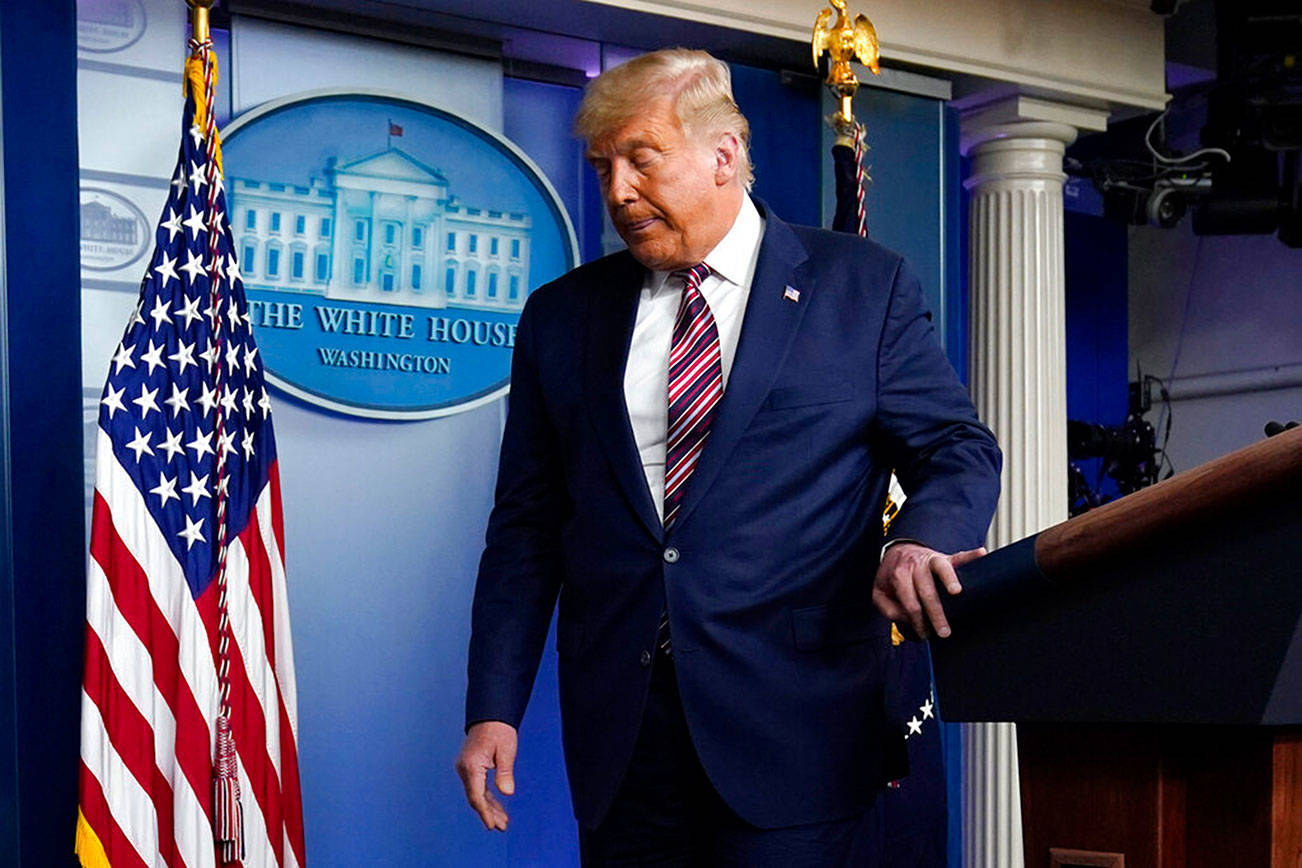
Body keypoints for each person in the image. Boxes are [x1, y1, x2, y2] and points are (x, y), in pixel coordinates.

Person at [455, 48, 1001, 865]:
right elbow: (528, 528)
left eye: (642, 160)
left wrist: (919, 537)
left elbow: (957, 446)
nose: (618, 193)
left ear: (723, 155)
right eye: (603, 167)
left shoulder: (862, 287)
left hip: (799, 734)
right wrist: (493, 706)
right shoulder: (560, 318)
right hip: (624, 747)